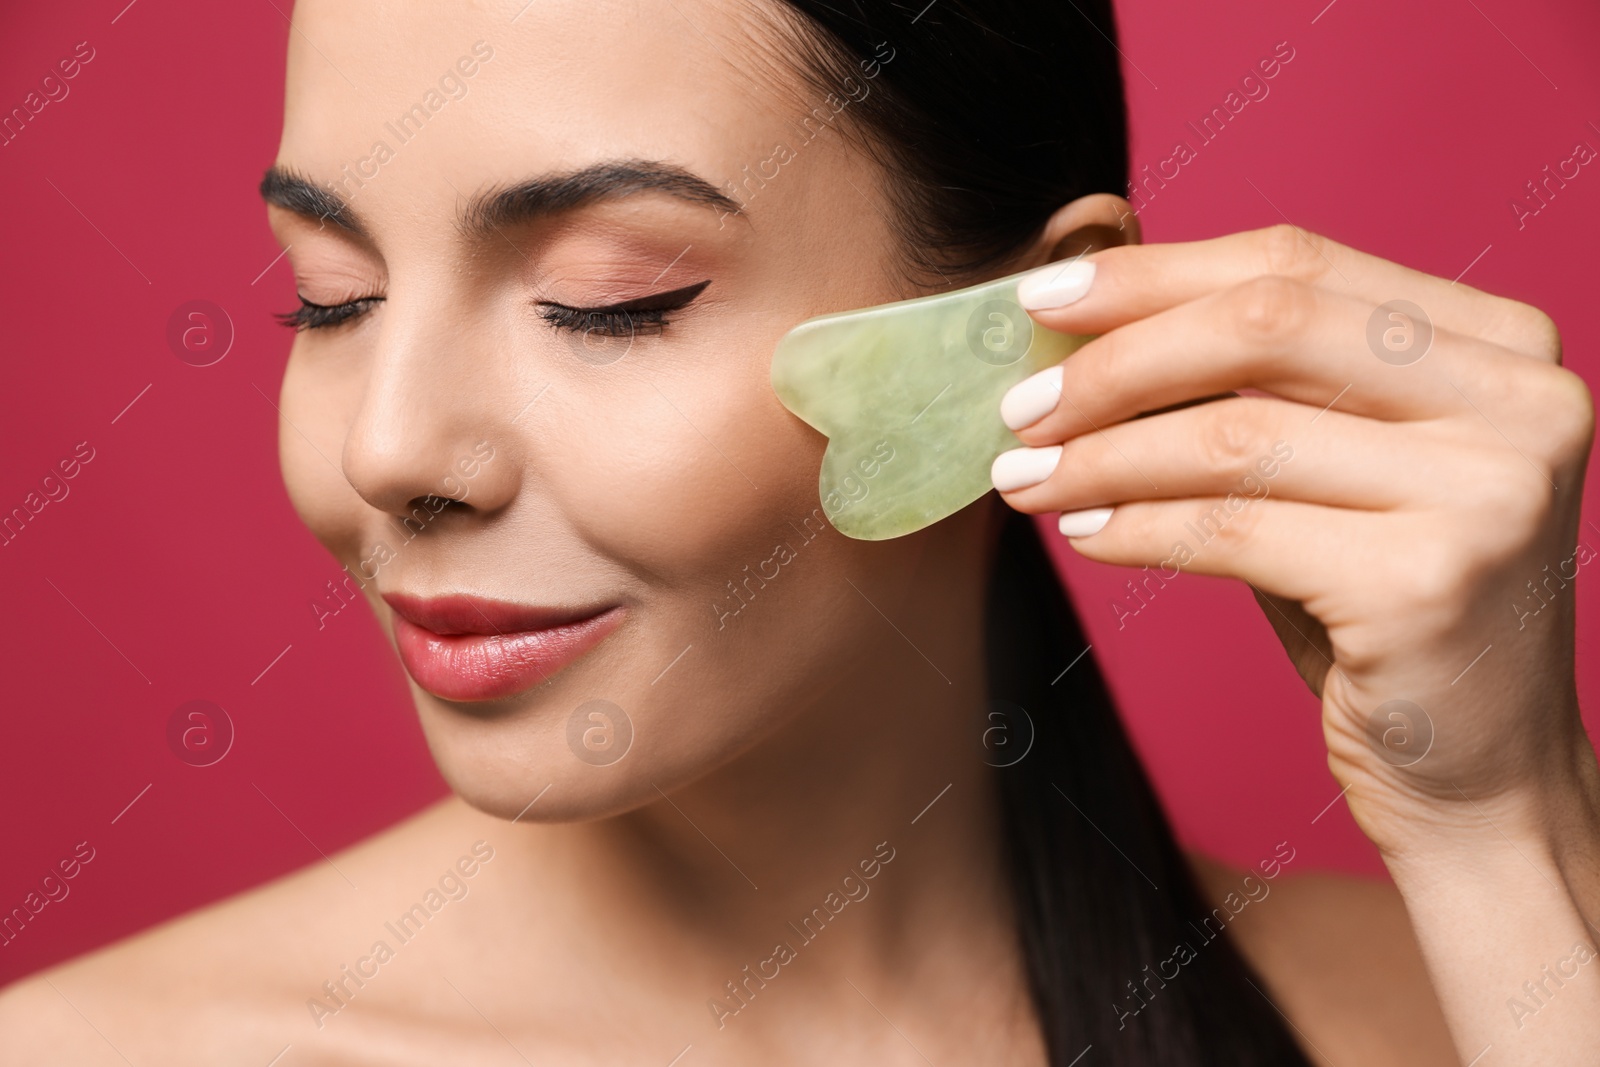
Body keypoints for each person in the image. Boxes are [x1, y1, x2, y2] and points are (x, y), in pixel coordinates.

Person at [3, 0, 1596, 1063]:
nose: (389, 449)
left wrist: (1507, 831)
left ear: (1026, 338)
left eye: (609, 303)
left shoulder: (1457, 1003)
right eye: (327, 296)